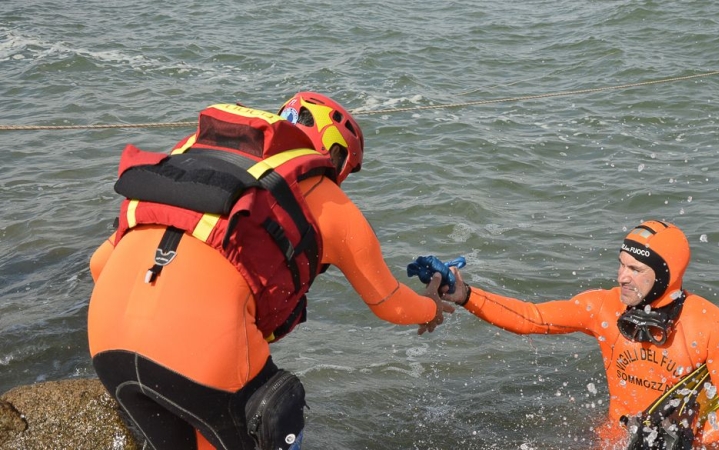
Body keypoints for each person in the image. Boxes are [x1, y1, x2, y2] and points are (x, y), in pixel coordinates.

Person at [87, 92, 453, 450]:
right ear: (336, 156)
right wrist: (432, 307)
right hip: (203, 357)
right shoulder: (328, 200)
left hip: (106, 343)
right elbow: (391, 304)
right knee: (279, 409)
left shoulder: (196, 164)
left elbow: (98, 264)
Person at [438, 220, 719, 448]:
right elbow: (532, 318)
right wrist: (466, 294)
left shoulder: (709, 324)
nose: (622, 277)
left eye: (635, 270)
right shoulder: (603, 307)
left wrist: (691, 441)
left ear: (665, 277)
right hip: (616, 437)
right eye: (621, 265)